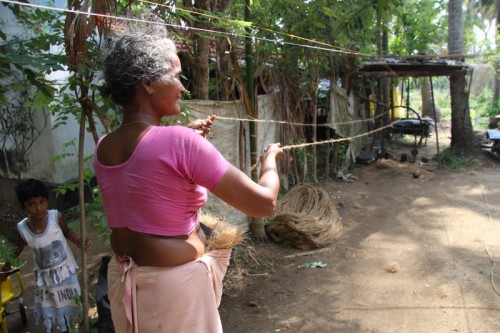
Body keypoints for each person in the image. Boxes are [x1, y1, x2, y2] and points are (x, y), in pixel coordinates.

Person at [93, 25, 283, 333]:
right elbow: (264, 203)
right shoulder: (180, 142)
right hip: (174, 292)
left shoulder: (105, 147)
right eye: (177, 76)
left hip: (125, 284)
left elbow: (147, 175)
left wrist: (185, 139)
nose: (183, 87)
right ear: (148, 83)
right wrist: (269, 162)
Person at [4, 178, 90, 333]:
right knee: (54, 305)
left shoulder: (56, 217)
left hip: (65, 272)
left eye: (42, 202)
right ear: (22, 206)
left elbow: (67, 233)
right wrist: (6, 267)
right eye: (31, 204)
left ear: (47, 201)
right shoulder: (23, 229)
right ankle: (64, 329)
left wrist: (78, 240)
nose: (38, 208)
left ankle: (74, 326)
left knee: (72, 301)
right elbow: (17, 250)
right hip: (46, 278)